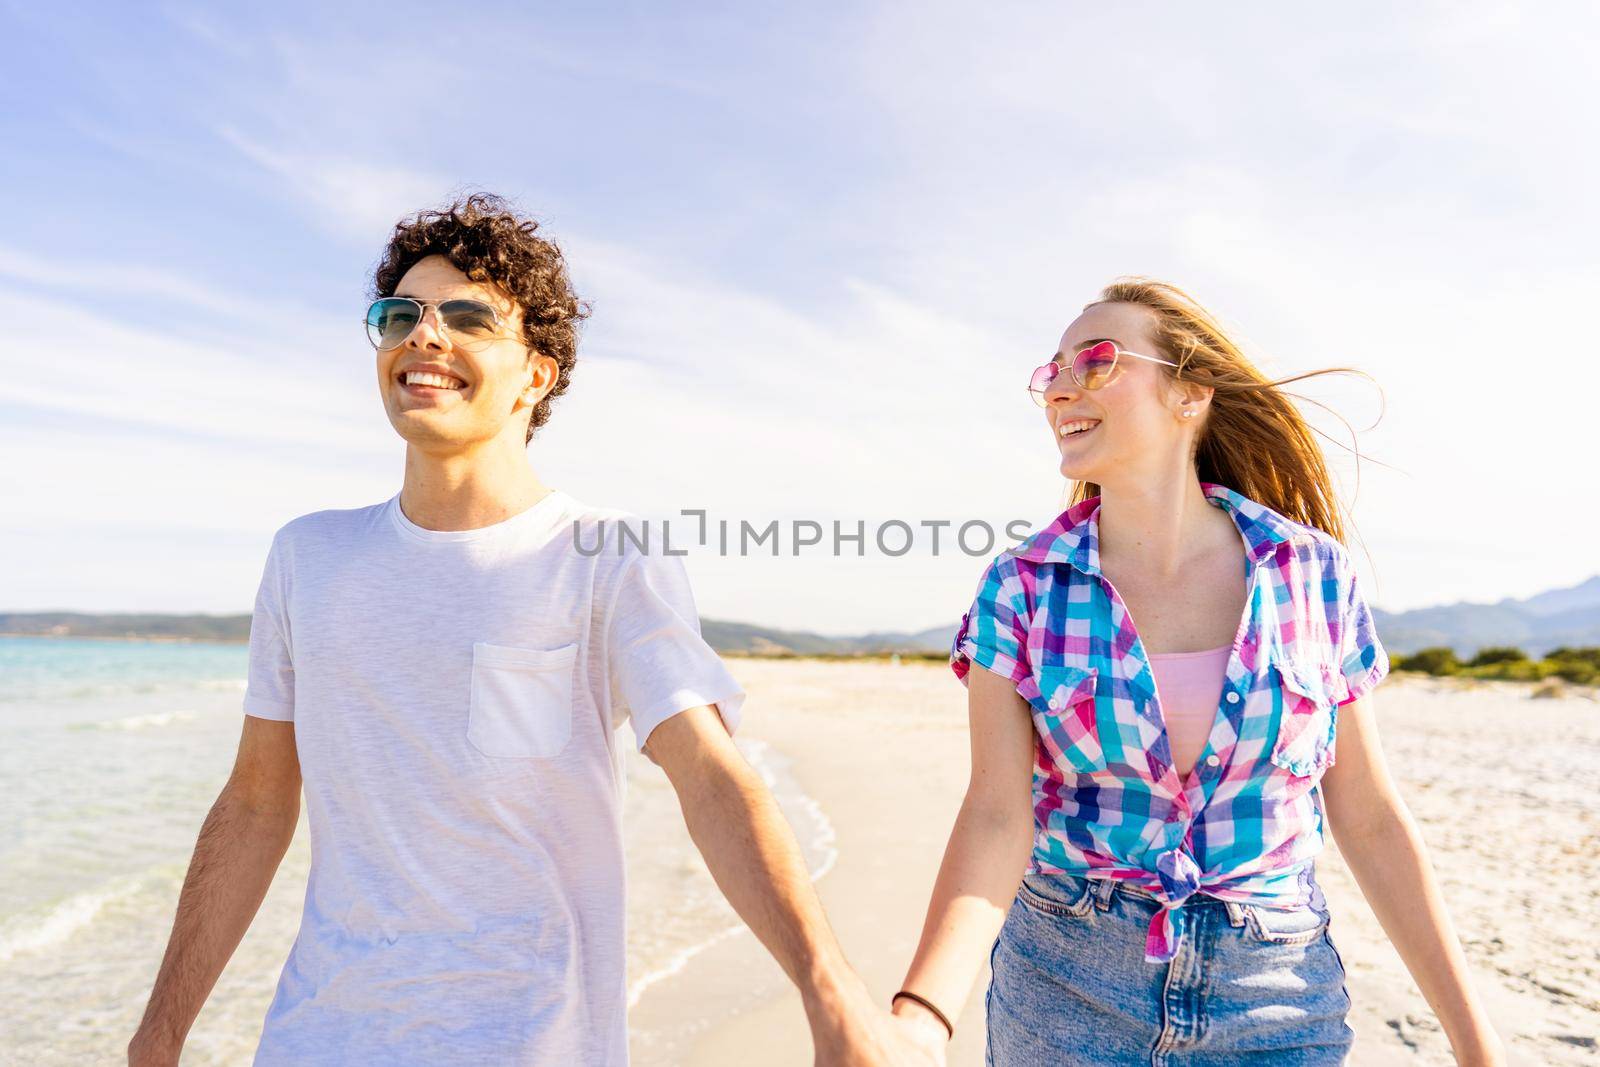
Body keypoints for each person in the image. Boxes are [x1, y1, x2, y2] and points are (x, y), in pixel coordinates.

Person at [127, 193, 932, 1067]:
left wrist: (830, 991)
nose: (423, 337)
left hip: (531, 1043)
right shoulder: (307, 556)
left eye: (466, 318)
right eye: (401, 315)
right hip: (317, 1037)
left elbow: (710, 778)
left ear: (536, 375)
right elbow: (254, 803)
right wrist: (159, 1033)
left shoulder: (605, 558)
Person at [889, 279, 1506, 1065]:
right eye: (1052, 372)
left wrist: (1475, 1042)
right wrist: (922, 1015)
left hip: (1277, 995)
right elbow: (995, 814)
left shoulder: (1312, 573)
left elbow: (1370, 815)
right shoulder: (1023, 585)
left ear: (1189, 393)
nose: (1061, 387)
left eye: (1098, 359)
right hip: (1064, 987)